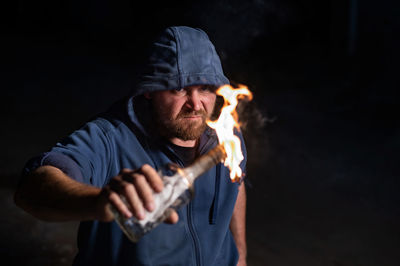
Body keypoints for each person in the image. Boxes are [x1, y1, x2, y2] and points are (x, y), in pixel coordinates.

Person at [14, 26, 247, 266]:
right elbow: (33, 188)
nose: (196, 104)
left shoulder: (225, 132)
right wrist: (100, 201)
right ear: (150, 91)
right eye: (179, 88)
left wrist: (240, 255)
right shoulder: (109, 137)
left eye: (205, 88)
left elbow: (235, 183)